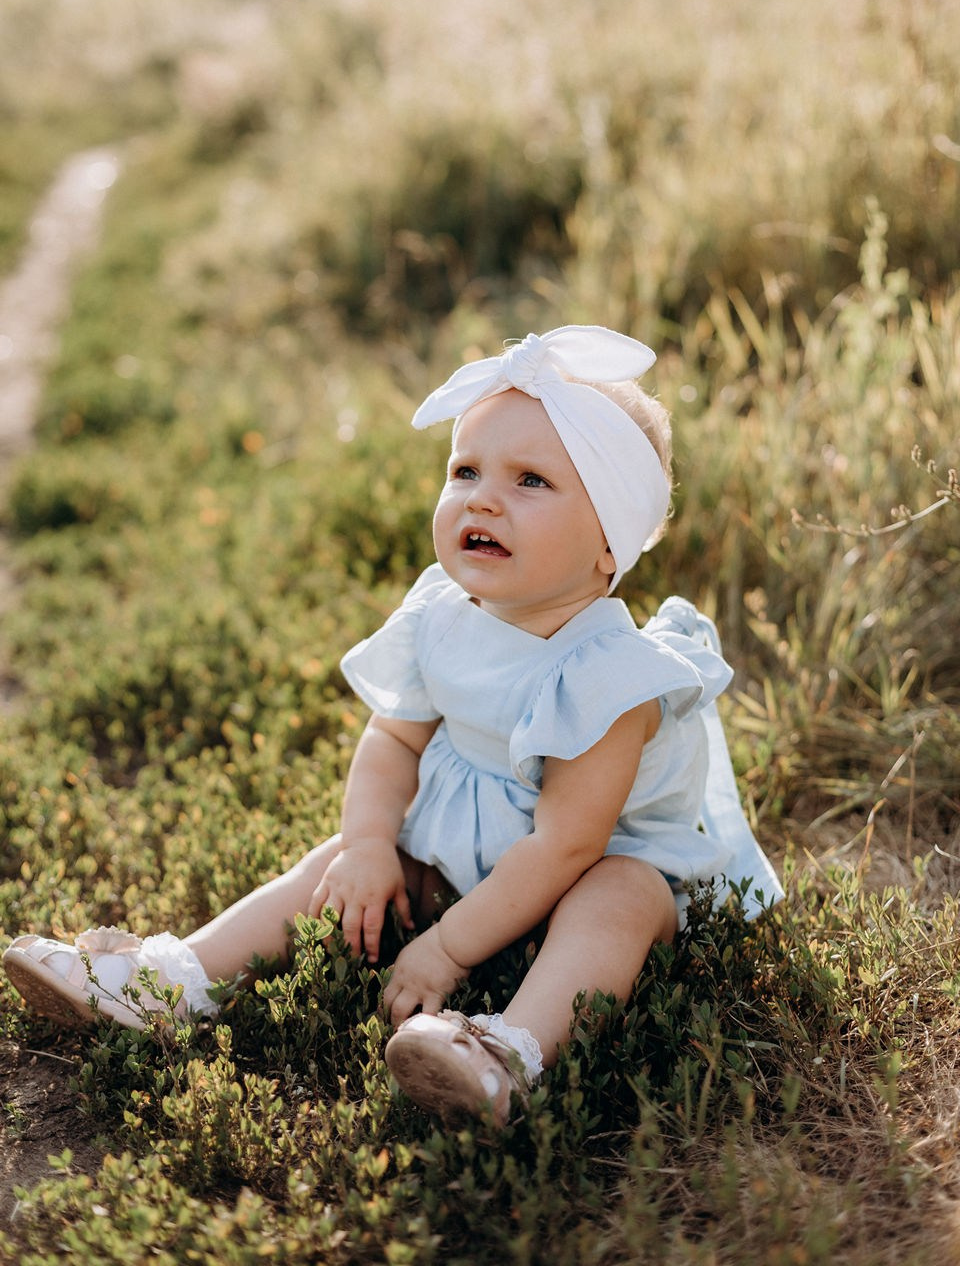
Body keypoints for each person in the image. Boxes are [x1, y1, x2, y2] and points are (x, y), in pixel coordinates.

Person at [2, 326, 783, 1126]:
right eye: (466, 470)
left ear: (608, 542)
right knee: (337, 865)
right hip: (463, 857)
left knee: (616, 902)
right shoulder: (442, 615)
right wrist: (373, 845)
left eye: (531, 481)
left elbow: (565, 845)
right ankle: (173, 982)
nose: (482, 497)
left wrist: (444, 950)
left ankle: (510, 1051)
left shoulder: (610, 678)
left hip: (585, 869)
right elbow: (395, 740)